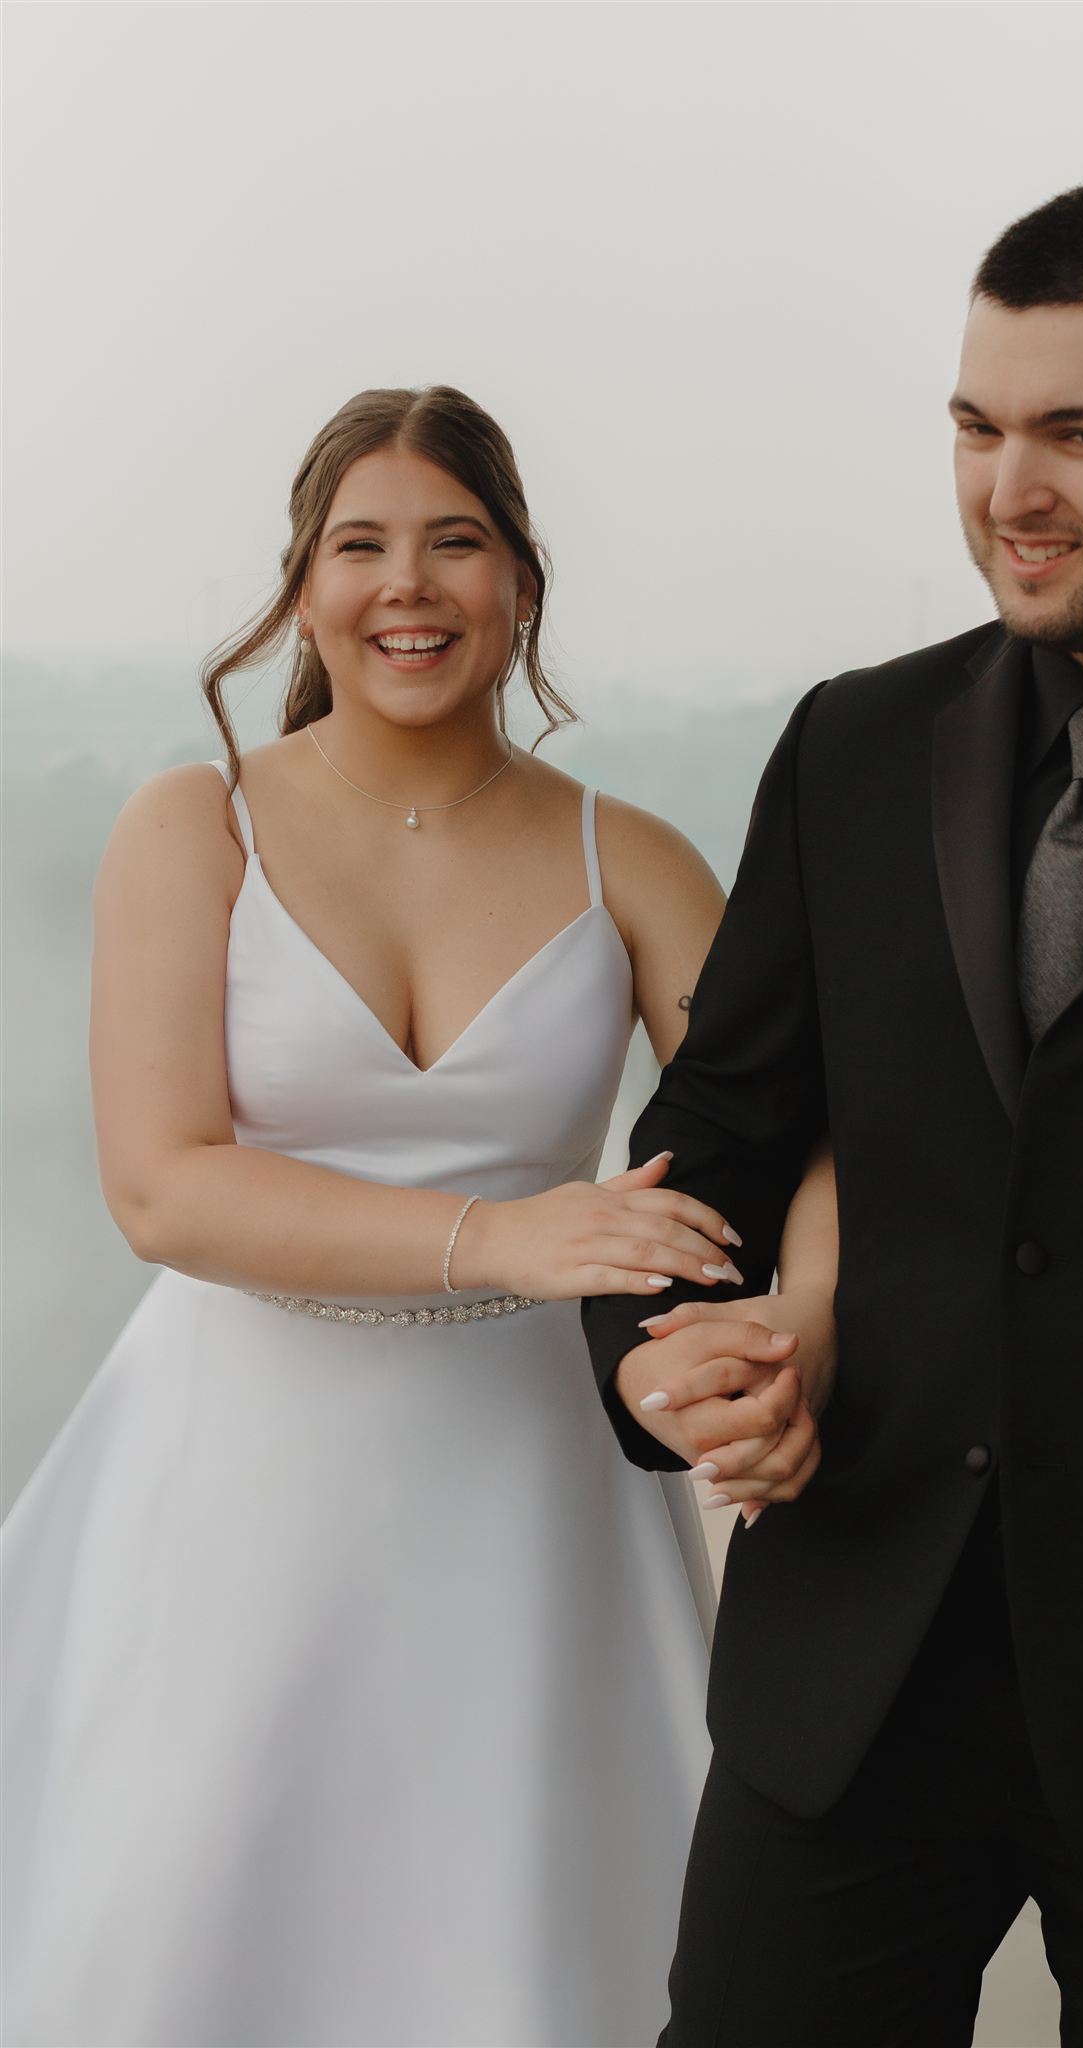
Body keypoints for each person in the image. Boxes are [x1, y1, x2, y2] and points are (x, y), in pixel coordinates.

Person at [583, 180, 1083, 2046]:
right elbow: (714, 1137)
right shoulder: (853, 741)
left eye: (1078, 435)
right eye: (975, 423)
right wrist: (656, 1359)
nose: (1007, 487)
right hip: (856, 1671)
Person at [0, 384, 834, 2048]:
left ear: (520, 580)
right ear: (302, 586)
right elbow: (162, 1184)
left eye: (455, 542)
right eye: (359, 545)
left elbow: (811, 1140)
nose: (408, 586)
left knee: (517, 1951)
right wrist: (510, 1238)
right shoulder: (195, 824)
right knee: (182, 1941)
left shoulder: (635, 862)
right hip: (231, 1481)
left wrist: (785, 1341)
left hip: (532, 1493)